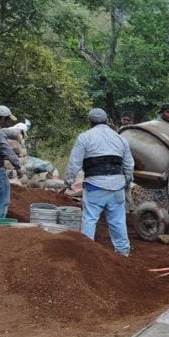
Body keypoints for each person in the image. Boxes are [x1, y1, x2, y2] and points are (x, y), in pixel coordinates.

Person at [63, 108, 135, 256]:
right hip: (117, 187)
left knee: (89, 219)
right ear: (106, 120)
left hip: (95, 187)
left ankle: (87, 253)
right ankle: (123, 253)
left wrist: (69, 180)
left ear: (90, 122)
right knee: (118, 221)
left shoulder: (85, 137)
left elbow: (74, 162)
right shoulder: (119, 138)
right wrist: (127, 181)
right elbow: (129, 165)